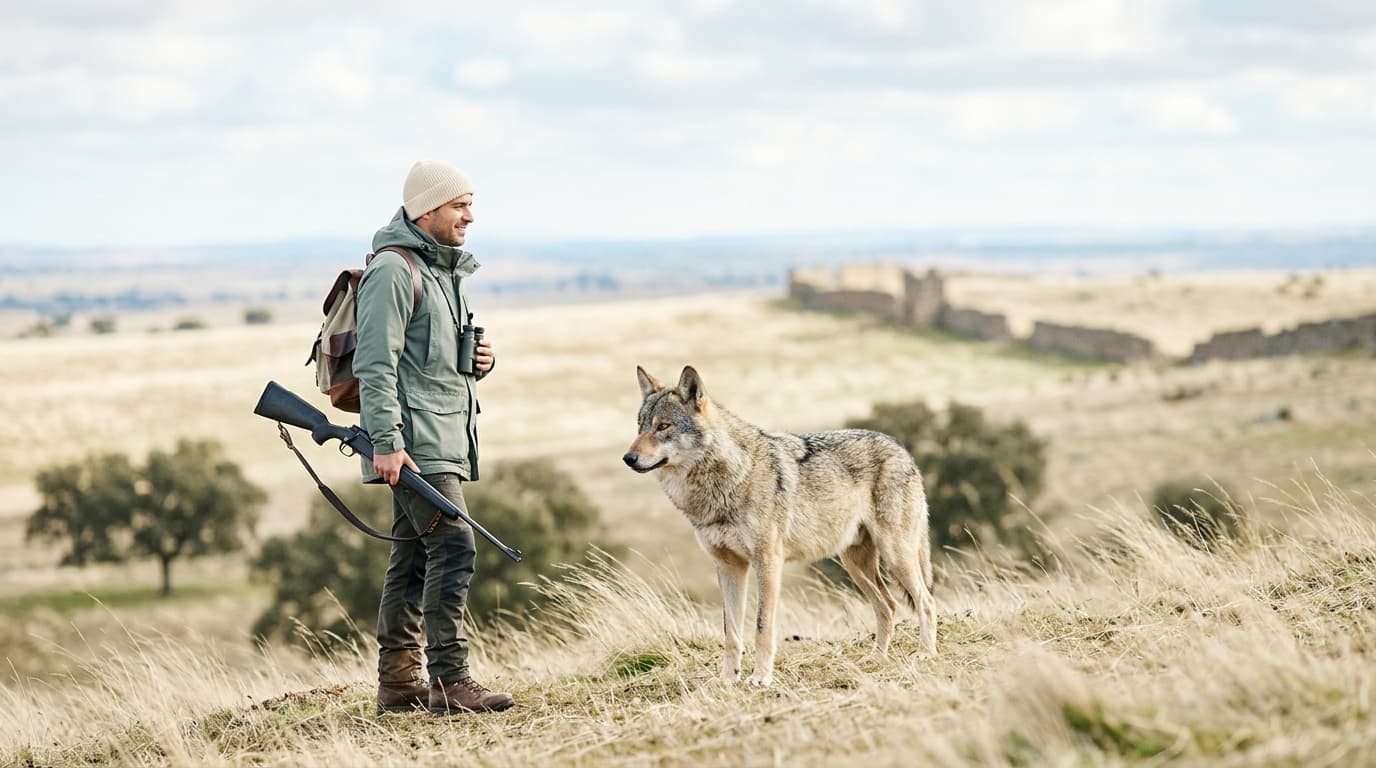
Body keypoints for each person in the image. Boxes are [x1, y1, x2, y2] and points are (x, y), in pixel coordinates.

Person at [354, 159, 513, 715]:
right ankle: (449, 682)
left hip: (440, 437)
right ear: (428, 210)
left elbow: (429, 362)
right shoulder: (395, 271)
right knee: (455, 545)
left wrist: (480, 364)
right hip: (414, 445)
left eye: (470, 203)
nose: (471, 215)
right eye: (459, 205)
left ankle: (399, 686)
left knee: (414, 561)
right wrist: (387, 441)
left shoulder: (445, 272)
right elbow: (376, 365)